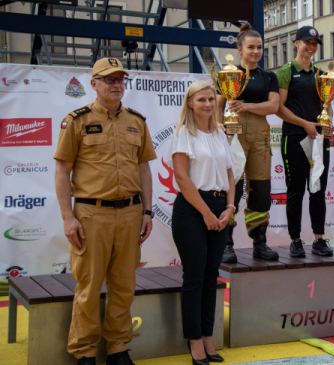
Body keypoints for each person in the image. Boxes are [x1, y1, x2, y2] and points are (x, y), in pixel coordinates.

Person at [54, 58, 156, 365]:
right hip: (91, 215)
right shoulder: (77, 120)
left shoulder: (136, 121)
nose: (116, 84)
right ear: (94, 84)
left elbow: (144, 169)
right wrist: (67, 218)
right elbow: (62, 171)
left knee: (124, 286)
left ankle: (117, 349)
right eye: (108, 79)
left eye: (120, 79)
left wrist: (148, 211)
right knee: (89, 285)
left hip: (130, 214)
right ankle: (84, 352)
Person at [167, 80, 235, 364]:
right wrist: (206, 213)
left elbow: (231, 174)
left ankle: (208, 335)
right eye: (201, 100)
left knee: (211, 277)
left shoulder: (220, 133)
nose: (207, 104)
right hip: (193, 210)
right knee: (194, 278)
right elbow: (182, 178)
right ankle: (194, 340)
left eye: (211, 99)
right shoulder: (184, 133)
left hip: (220, 208)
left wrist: (230, 207)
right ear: (190, 104)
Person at [217, 23, 280, 263]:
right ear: (240, 48)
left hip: (260, 131)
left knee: (261, 188)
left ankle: (260, 244)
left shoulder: (268, 77)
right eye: (250, 47)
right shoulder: (229, 72)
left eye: (259, 47)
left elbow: (273, 106)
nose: (255, 51)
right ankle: (226, 244)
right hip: (234, 132)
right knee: (232, 184)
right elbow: (219, 102)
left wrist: (247, 106)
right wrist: (217, 126)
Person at [276, 26, 333, 257]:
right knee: (296, 190)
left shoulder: (321, 74)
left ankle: (319, 239)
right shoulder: (286, 71)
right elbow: (278, 108)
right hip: (294, 137)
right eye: (307, 42)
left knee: (318, 189)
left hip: (319, 138)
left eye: (315, 43)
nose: (311, 47)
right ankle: (295, 240)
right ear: (296, 43)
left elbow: (325, 106)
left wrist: (325, 124)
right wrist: (304, 124)